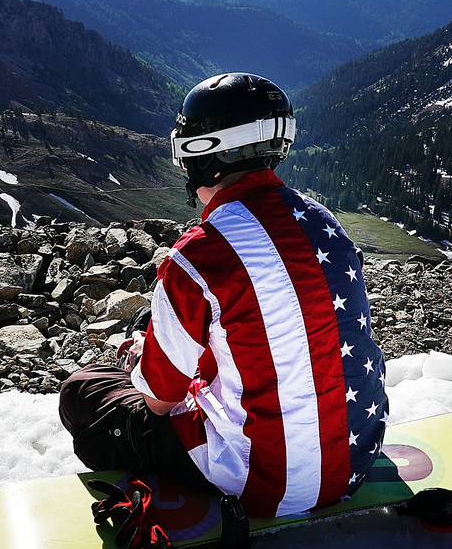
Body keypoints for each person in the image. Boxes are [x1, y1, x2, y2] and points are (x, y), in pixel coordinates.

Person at [59, 71, 388, 523]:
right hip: (355, 460)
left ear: (200, 157)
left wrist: (142, 362)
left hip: (263, 485)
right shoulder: (323, 221)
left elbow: (158, 401)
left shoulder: (199, 253)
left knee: (84, 392)